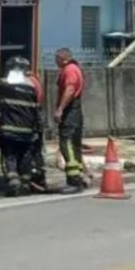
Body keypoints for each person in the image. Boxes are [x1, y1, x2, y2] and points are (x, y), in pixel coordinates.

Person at [0, 56, 41, 196]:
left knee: (9, 157)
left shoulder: (6, 86)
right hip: (27, 133)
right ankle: (25, 183)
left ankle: (14, 184)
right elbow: (37, 113)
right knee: (24, 157)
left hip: (9, 131)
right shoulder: (31, 90)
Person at [54, 48, 87, 193]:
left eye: (56, 58)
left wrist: (60, 108)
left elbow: (70, 89)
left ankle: (74, 181)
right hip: (75, 111)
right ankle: (79, 178)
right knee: (74, 145)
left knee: (66, 144)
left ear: (62, 58)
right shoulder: (74, 68)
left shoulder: (69, 70)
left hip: (71, 111)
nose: (55, 61)